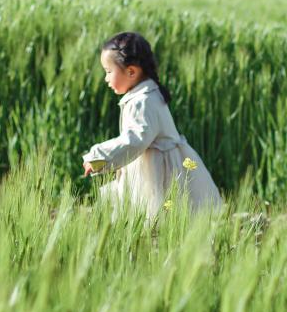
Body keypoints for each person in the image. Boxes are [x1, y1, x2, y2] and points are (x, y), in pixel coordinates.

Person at [82, 32, 222, 218]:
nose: (106, 79)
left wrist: (98, 156)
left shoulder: (143, 101)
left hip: (158, 174)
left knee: (158, 219)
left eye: (108, 71)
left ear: (131, 71)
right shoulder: (146, 94)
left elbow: (135, 141)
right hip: (154, 167)